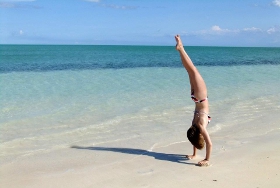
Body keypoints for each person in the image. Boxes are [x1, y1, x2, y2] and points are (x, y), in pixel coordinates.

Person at [175, 35, 212, 167]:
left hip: (200, 97)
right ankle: (180, 48)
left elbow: (202, 141)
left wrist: (196, 155)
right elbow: (207, 143)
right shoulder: (197, 125)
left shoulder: (199, 127)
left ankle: (181, 48)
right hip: (196, 97)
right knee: (191, 70)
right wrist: (205, 159)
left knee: (192, 70)